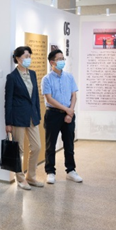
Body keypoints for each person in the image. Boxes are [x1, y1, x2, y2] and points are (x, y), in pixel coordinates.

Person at [5, 46, 44, 190]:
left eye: (29, 56)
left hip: (32, 117)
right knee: (19, 150)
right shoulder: (12, 77)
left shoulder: (32, 74)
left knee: (37, 147)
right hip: (17, 117)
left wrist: (38, 115)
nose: (28, 59)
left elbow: (35, 97)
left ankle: (31, 176)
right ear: (17, 58)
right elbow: (8, 101)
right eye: (25, 56)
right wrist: (8, 122)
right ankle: (20, 178)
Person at [41, 49, 82, 184]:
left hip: (69, 113)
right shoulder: (46, 79)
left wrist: (70, 111)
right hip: (53, 114)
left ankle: (71, 170)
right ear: (52, 62)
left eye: (63, 58)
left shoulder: (69, 77)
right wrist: (67, 110)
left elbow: (73, 95)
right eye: (59, 59)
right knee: (50, 144)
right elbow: (49, 99)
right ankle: (50, 171)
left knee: (69, 144)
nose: (62, 61)